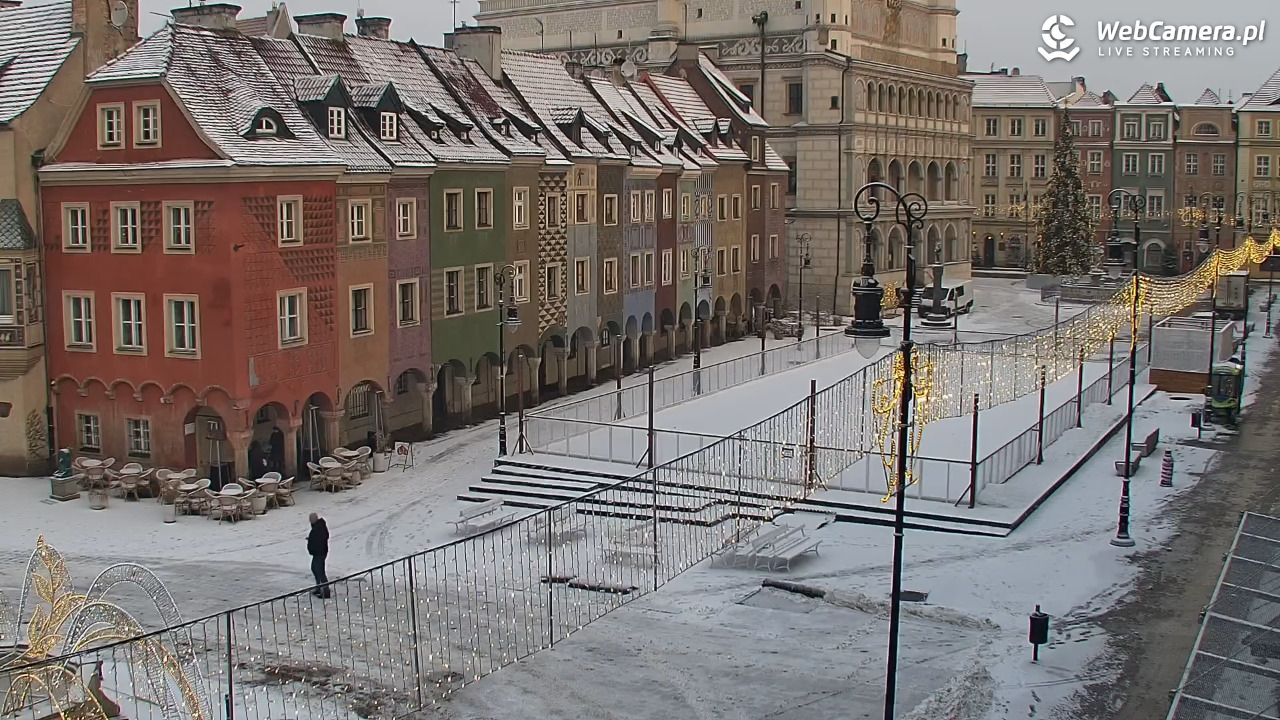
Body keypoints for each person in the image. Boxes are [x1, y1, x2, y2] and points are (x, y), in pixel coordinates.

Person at [307, 513, 330, 598]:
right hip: (318, 553)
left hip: (320, 553)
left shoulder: (319, 528)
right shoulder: (318, 527)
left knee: (320, 571)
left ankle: (325, 591)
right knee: (315, 569)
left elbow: (321, 539)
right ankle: (319, 588)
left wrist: (313, 542)